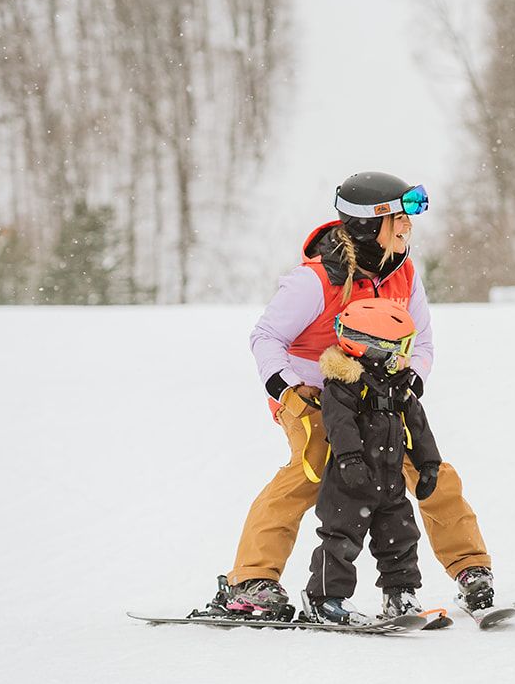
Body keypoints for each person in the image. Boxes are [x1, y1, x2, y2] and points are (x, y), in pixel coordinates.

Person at [203, 171, 496, 619]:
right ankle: (252, 580)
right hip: (315, 395)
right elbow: (265, 337)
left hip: (380, 395)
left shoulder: (404, 272)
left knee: (429, 469)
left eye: (407, 220)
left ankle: (470, 570)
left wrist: (410, 381)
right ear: (366, 226)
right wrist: (288, 388)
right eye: (398, 219)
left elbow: (424, 341)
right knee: (313, 469)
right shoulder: (313, 281)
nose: (406, 228)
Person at [302, 299, 441, 625]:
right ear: (375, 348)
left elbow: (418, 426)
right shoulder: (343, 386)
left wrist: (429, 464)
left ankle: (400, 595)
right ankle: (324, 599)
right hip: (350, 481)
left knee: (401, 537)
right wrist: (350, 459)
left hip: (390, 479)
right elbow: (340, 425)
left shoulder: (399, 385)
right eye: (400, 347)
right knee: (341, 538)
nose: (406, 355)